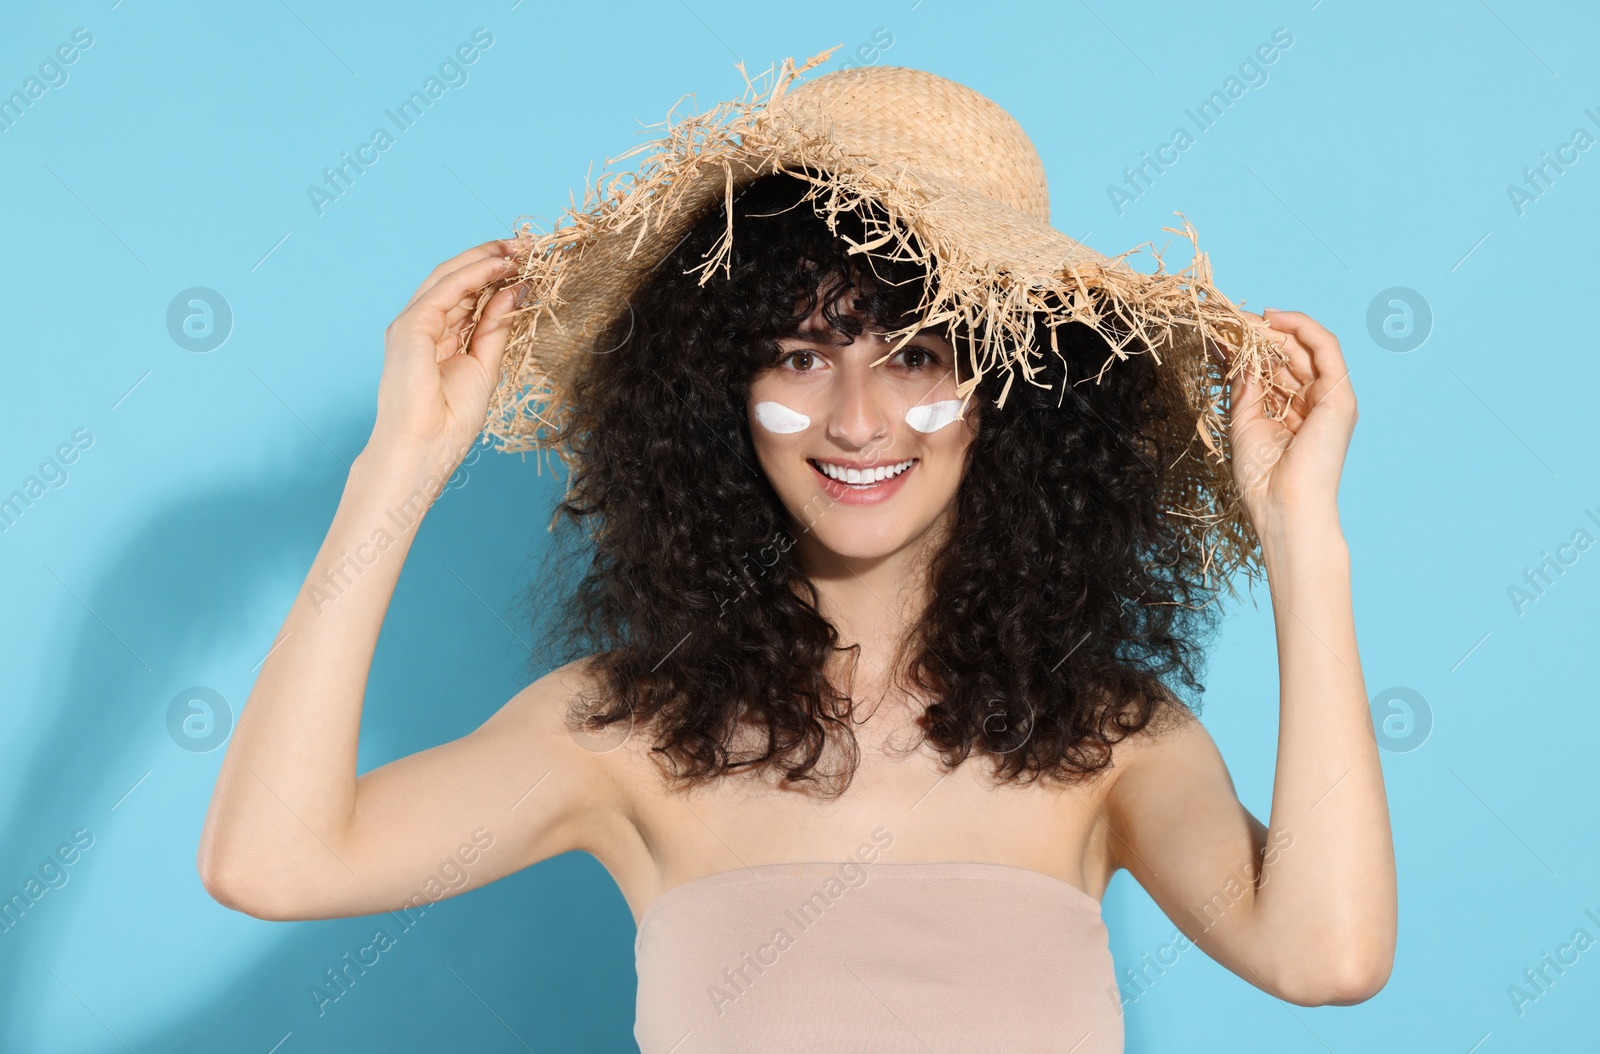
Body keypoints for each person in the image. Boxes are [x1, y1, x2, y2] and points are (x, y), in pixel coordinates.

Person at [197, 55, 1395, 1053]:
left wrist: (1301, 538)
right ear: (719, 388)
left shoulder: (1109, 738)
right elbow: (274, 862)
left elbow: (1325, 954)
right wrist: (396, 468)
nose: (858, 420)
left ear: (1005, 397)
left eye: (916, 356)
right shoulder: (622, 732)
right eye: (799, 354)